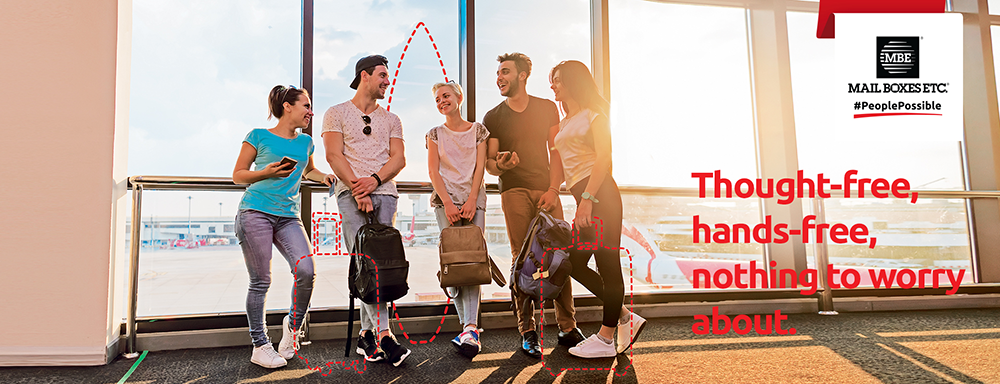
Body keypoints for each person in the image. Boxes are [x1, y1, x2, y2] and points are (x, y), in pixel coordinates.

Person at [483, 52, 584, 359]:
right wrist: (501, 164)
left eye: (505, 72)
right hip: (513, 191)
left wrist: (555, 189)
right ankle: (528, 331)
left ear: (522, 75)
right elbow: (490, 162)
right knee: (522, 259)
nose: (499, 77)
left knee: (559, 257)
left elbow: (556, 152)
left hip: (546, 190)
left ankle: (567, 327)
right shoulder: (493, 116)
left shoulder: (546, 108)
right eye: (498, 73)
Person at [547, 60, 646, 358]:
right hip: (585, 199)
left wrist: (588, 199)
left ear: (575, 82)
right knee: (574, 264)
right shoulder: (564, 123)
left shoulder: (595, 115)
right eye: (552, 80)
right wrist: (554, 192)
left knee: (607, 265)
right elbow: (563, 166)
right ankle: (626, 316)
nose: (554, 86)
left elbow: (604, 158)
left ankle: (605, 338)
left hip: (601, 196)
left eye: (559, 80)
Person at [233, 85, 333, 368]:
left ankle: (293, 327)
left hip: (288, 216)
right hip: (255, 212)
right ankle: (260, 344)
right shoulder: (258, 136)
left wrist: (323, 176)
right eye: (306, 105)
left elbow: (308, 169)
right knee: (261, 281)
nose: (311, 112)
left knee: (306, 271)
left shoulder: (306, 143)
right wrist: (267, 171)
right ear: (287, 106)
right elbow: (238, 175)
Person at [322, 55, 410, 367]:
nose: (387, 81)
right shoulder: (335, 113)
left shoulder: (392, 119)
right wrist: (357, 188)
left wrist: (372, 182)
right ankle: (386, 335)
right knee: (365, 264)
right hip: (350, 195)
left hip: (385, 193)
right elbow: (333, 155)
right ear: (365, 76)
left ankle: (367, 335)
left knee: (380, 266)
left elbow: (398, 160)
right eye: (383, 75)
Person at [425, 81, 489, 358]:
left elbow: (480, 168)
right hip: (445, 204)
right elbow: (433, 172)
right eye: (438, 98)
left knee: (473, 264)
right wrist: (449, 203)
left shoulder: (479, 131)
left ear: (459, 97)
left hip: (475, 201)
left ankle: (470, 327)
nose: (442, 101)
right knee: (455, 265)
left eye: (446, 96)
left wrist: (472, 199)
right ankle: (469, 328)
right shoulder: (434, 134)